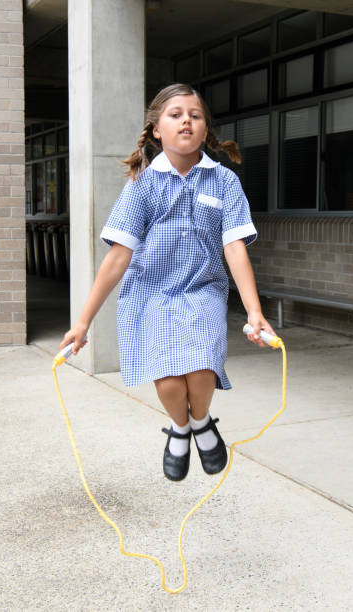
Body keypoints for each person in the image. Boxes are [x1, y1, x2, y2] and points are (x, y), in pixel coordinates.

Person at [59, 83, 275, 482]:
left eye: (194, 115)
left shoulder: (224, 182)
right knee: (171, 380)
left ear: (205, 126)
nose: (186, 121)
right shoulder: (142, 184)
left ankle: (202, 419)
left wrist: (254, 311)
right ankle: (182, 426)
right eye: (175, 115)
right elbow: (118, 256)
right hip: (150, 295)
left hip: (203, 290)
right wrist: (83, 321)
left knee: (201, 369)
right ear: (157, 129)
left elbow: (234, 247)